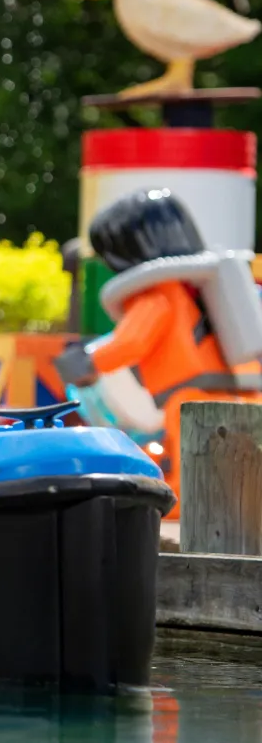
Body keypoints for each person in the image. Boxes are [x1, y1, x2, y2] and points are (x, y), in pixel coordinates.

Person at [55, 188, 262, 514]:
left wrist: (88, 361)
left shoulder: (157, 296)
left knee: (192, 457)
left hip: (190, 394)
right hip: (237, 389)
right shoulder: (198, 290)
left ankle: (184, 504)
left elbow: (130, 343)